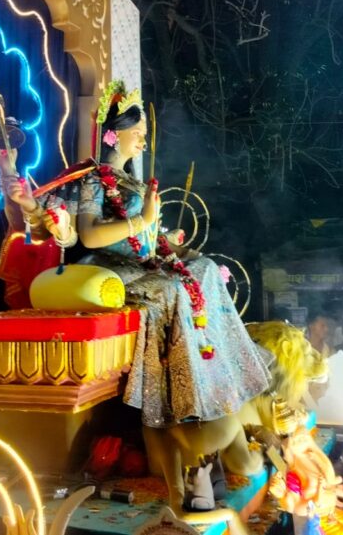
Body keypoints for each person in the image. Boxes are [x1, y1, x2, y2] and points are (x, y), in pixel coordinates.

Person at [74, 80, 270, 428]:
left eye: (144, 134)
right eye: (137, 133)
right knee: (175, 288)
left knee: (206, 267)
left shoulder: (134, 183)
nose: (143, 141)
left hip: (145, 261)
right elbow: (89, 236)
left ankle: (222, 371)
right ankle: (179, 393)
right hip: (114, 268)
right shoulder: (94, 180)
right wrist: (142, 221)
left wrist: (168, 241)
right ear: (113, 135)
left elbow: (147, 237)